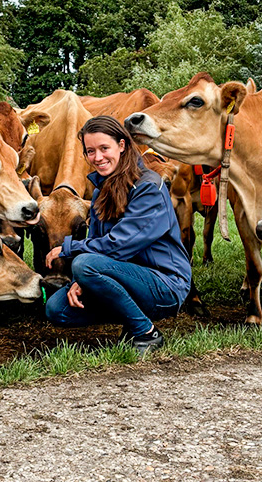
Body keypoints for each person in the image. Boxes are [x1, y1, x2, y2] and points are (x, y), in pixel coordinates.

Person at [43, 115, 192, 356]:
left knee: (84, 263)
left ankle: (146, 332)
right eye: (90, 151)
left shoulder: (148, 188)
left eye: (104, 148)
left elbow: (119, 245)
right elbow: (100, 246)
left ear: (122, 146)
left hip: (166, 284)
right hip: (127, 277)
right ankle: (132, 320)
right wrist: (79, 281)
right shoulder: (102, 190)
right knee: (57, 309)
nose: (98, 158)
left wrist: (70, 249)